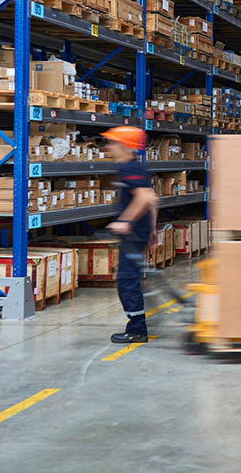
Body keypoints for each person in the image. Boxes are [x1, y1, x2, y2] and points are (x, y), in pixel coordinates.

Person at [102, 126, 159, 344]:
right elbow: (153, 200)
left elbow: (144, 198)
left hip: (133, 234)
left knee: (127, 281)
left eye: (113, 142)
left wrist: (125, 221)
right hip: (141, 232)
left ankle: (136, 330)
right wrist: (152, 230)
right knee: (131, 280)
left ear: (124, 145)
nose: (109, 147)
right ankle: (137, 326)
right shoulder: (138, 168)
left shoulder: (129, 168)